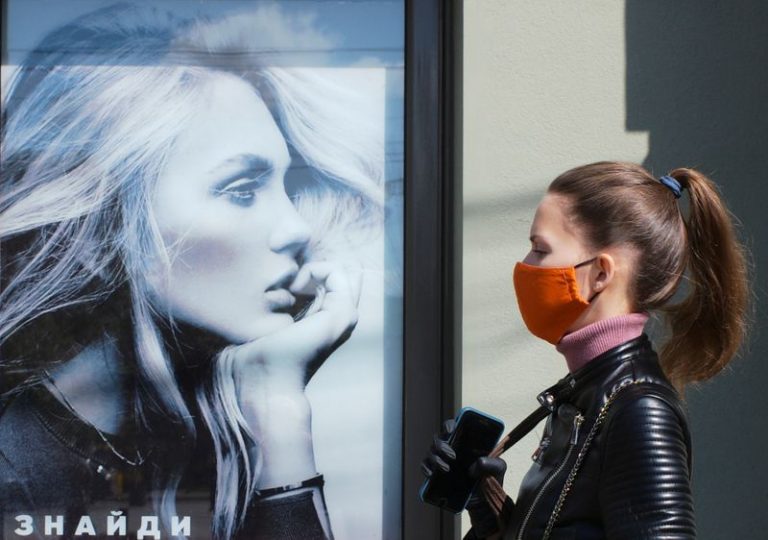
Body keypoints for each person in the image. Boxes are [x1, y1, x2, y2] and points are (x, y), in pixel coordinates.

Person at [0, 3, 382, 539]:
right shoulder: (14, 476)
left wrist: (277, 409)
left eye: (287, 189)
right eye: (242, 190)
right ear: (102, 227)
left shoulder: (198, 435)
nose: (297, 228)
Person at [422, 161, 750, 539]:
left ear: (600, 274)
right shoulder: (583, 393)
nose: (525, 266)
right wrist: (489, 514)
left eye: (539, 249)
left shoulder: (638, 410)